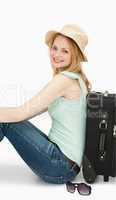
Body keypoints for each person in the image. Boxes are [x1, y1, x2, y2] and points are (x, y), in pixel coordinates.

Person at [0, 24, 92, 184]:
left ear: (75, 55)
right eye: (55, 48)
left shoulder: (64, 80)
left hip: (61, 166)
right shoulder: (76, 79)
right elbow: (28, 112)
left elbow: (20, 113)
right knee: (9, 120)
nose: (56, 54)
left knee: (6, 123)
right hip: (64, 164)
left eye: (65, 51)